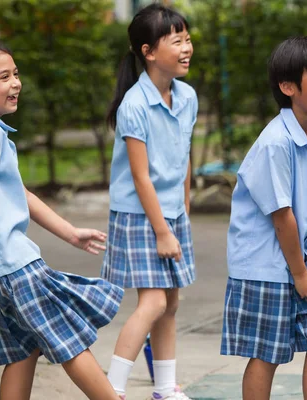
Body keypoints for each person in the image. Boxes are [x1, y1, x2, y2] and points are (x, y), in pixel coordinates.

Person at [0, 41, 124, 400]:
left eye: (16, 74)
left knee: (23, 347)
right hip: (10, 265)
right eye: (4, 76)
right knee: (68, 337)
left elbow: (19, 194)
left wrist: (70, 233)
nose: (16, 83)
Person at [220, 36, 307, 400]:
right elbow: (283, 217)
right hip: (265, 267)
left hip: (300, 262)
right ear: (289, 87)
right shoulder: (276, 143)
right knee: (267, 355)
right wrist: (300, 273)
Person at [102, 3, 197, 399]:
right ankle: (111, 389)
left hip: (171, 212)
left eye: (188, 38)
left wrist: (183, 215)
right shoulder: (135, 105)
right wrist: (162, 230)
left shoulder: (187, 96)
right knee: (153, 302)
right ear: (148, 51)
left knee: (171, 303)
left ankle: (164, 388)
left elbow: (184, 158)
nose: (187, 47)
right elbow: (141, 176)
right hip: (140, 215)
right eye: (177, 40)